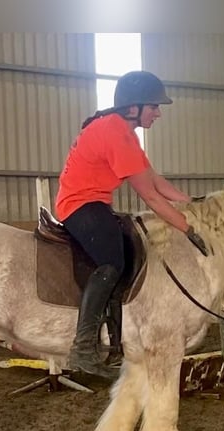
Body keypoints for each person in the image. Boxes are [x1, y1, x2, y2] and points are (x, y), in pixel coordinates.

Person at [55, 70, 209, 379]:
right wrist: (187, 228)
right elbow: (150, 198)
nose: (158, 113)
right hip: (79, 204)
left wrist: (191, 205)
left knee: (126, 254)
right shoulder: (114, 132)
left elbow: (155, 180)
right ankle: (83, 347)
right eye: (154, 106)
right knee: (111, 262)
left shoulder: (125, 132)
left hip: (95, 201)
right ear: (133, 107)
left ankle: (114, 341)